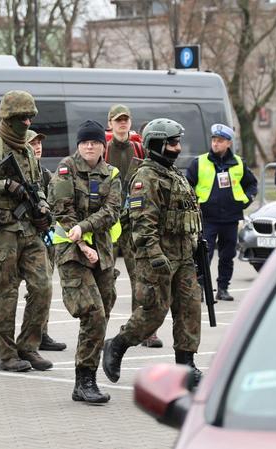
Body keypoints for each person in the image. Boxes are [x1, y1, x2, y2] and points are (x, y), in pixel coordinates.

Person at [102, 118, 203, 387]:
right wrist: (156, 256)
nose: (177, 148)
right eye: (172, 143)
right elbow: (142, 223)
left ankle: (187, 366)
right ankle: (117, 345)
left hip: (183, 256)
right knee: (153, 313)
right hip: (156, 258)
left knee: (190, 309)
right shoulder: (145, 177)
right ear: (157, 144)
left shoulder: (174, 174)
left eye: (177, 142)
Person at [0, 90, 53, 373]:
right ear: (7, 118)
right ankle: (7, 354)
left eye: (30, 118)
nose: (27, 123)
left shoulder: (28, 150)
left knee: (43, 287)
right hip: (1, 234)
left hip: (29, 230)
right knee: (6, 293)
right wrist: (3, 186)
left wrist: (42, 208)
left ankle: (29, 346)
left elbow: (38, 184)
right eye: (21, 118)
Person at [49, 119, 121, 404]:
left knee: (103, 313)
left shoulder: (111, 173)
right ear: (78, 145)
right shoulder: (66, 169)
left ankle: (84, 380)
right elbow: (61, 213)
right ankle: (85, 381)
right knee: (93, 314)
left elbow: (112, 211)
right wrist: (80, 242)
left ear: (103, 146)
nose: (89, 146)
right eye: (84, 142)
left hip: (102, 255)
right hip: (71, 253)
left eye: (94, 142)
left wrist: (87, 229)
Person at [104, 104, 162, 348]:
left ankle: (144, 330)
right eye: (118, 120)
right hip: (107, 223)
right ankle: (97, 330)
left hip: (133, 223)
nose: (122, 124)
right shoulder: (102, 149)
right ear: (111, 123)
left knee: (140, 277)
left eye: (126, 120)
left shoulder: (139, 147)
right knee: (104, 278)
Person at [186, 124, 257, 301]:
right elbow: (187, 185)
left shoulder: (239, 163)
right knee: (204, 254)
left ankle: (223, 288)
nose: (216, 144)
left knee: (227, 255)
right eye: (214, 140)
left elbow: (251, 184)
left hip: (231, 217)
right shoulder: (200, 162)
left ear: (228, 143)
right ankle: (201, 288)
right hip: (207, 217)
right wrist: (194, 205)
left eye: (220, 141)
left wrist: (246, 200)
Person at [26, 130, 67, 352]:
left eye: (39, 142)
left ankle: (41, 332)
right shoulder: (23, 173)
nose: (38, 146)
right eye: (32, 143)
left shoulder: (45, 174)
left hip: (46, 237)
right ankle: (30, 335)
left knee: (45, 285)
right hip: (23, 238)